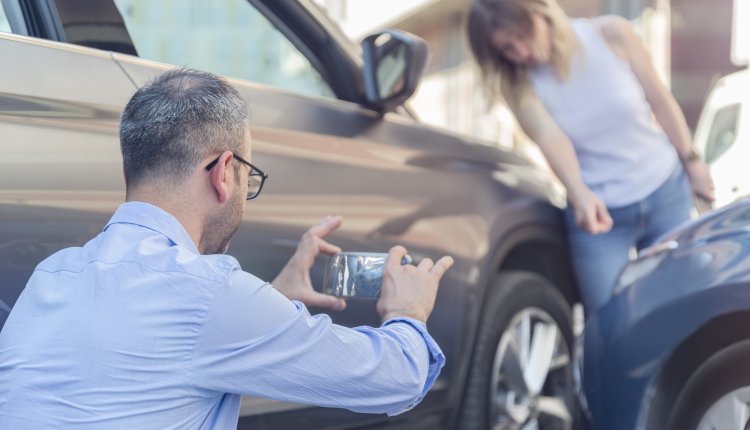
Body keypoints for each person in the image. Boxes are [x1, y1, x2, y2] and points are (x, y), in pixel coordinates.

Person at [0, 68, 454, 429]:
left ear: (128, 175)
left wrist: (277, 299)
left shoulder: (52, 275)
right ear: (222, 172)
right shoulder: (208, 293)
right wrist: (408, 314)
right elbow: (394, 379)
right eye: (247, 177)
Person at [466, 0, 715, 313]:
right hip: (598, 216)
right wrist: (579, 192)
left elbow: (660, 100)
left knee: (685, 303)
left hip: (665, 191)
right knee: (608, 322)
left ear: (540, 13)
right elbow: (550, 137)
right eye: (507, 48)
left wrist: (693, 162)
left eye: (522, 35)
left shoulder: (612, 34)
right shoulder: (518, 84)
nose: (521, 51)